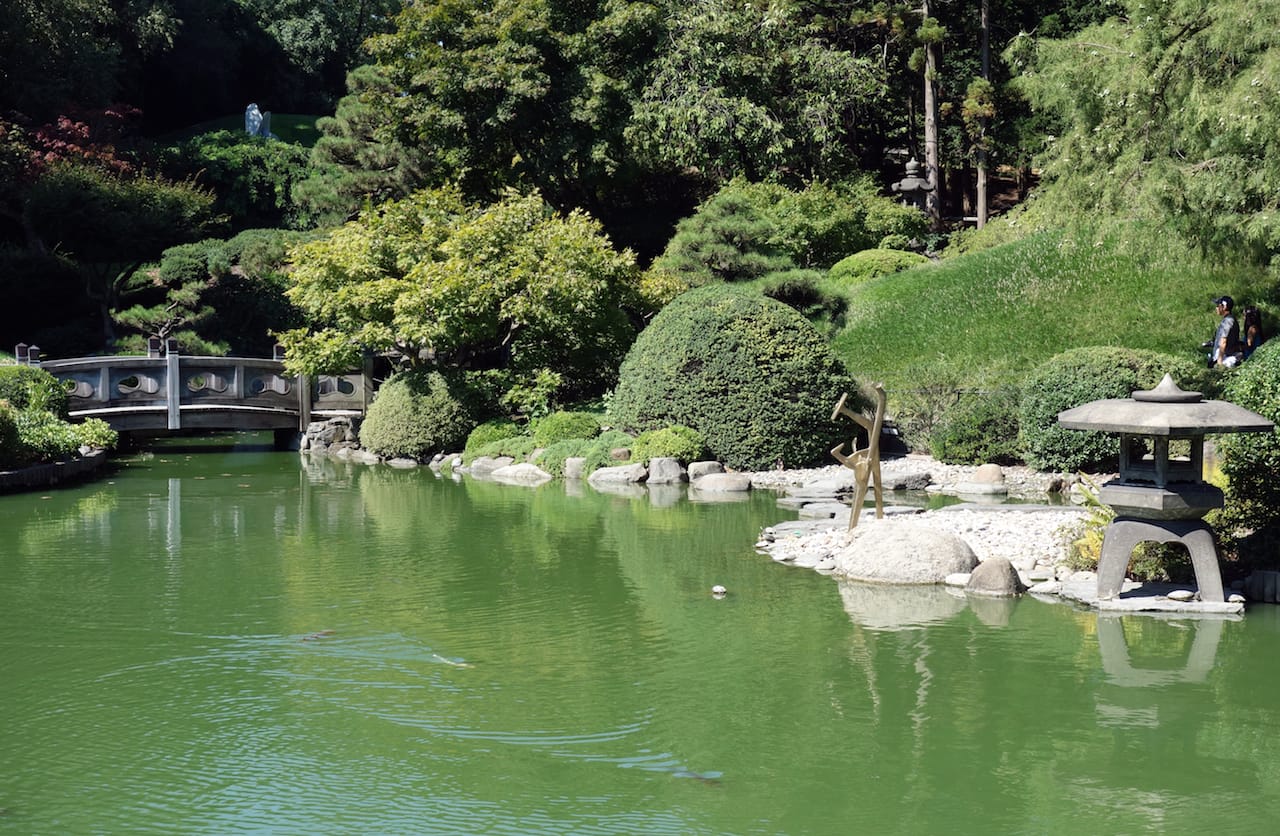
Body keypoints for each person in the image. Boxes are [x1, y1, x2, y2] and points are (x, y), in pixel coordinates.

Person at [1210, 295, 1242, 368]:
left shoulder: (1228, 321)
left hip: (1225, 358)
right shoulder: (1228, 320)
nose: (1216, 308)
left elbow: (1223, 341)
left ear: (1224, 307)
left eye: (1218, 306)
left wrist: (1219, 363)